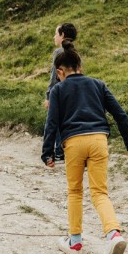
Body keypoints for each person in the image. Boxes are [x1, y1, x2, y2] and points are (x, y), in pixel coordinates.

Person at [42, 40, 128, 254]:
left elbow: (52, 122)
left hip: (73, 143)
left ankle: (75, 242)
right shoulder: (98, 84)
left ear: (60, 72)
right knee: (100, 192)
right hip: (98, 141)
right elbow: (119, 113)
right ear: (81, 67)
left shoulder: (57, 89)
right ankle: (113, 234)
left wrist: (47, 153)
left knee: (75, 191)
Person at [44, 22, 78, 161]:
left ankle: (58, 151)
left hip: (59, 91)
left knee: (55, 120)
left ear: (62, 35)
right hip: (73, 90)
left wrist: (48, 96)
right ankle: (66, 150)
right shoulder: (74, 51)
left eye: (56, 33)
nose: (54, 37)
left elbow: (54, 76)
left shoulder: (58, 52)